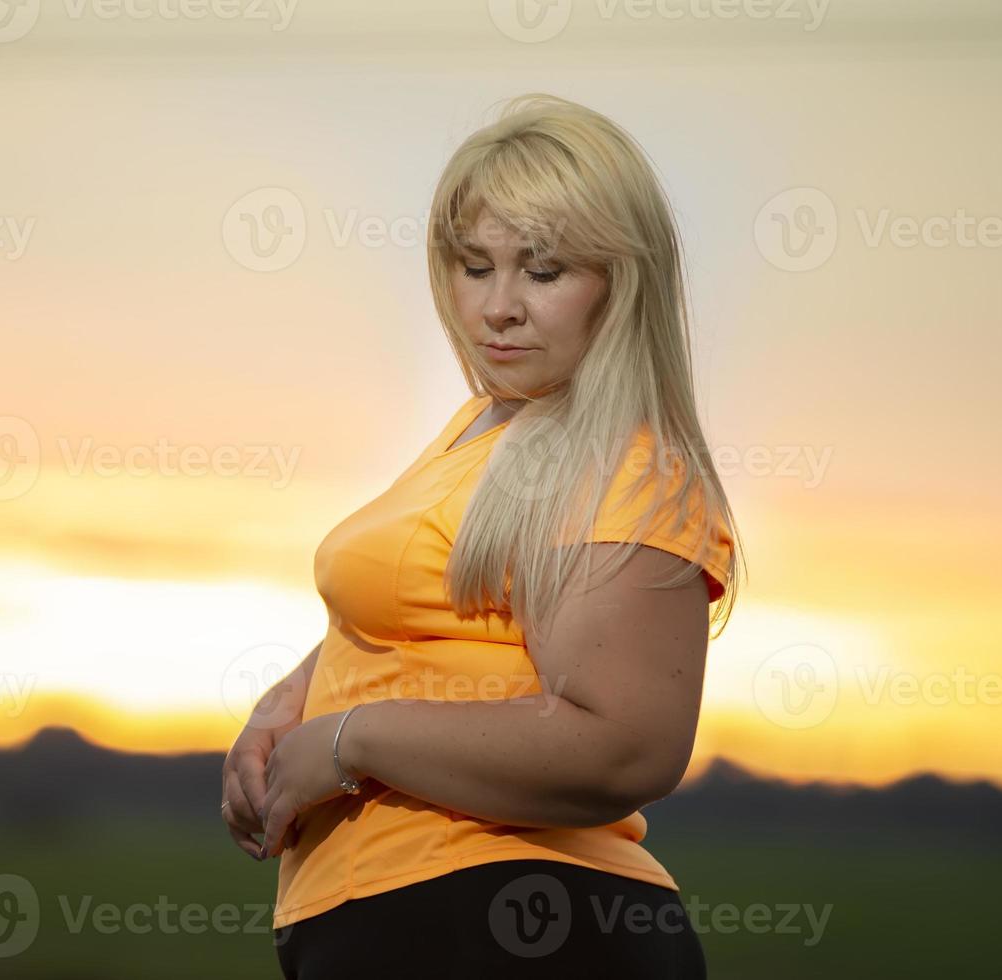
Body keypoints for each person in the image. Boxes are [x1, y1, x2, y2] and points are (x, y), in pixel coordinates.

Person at [221, 92, 744, 979]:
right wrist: (285, 707)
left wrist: (349, 743)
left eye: (542, 272)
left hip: (516, 925)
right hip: (403, 921)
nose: (497, 307)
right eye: (473, 266)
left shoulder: (625, 469)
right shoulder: (486, 434)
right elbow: (415, 614)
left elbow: (624, 744)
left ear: (621, 282)